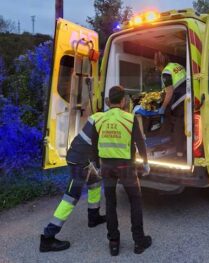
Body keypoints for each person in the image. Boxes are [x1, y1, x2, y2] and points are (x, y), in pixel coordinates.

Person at [39, 112, 106, 252]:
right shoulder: (109, 121)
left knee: (95, 183)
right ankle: (47, 238)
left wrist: (97, 166)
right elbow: (97, 147)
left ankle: (93, 217)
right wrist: (100, 166)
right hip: (79, 160)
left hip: (83, 157)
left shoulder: (99, 116)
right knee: (71, 197)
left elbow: (95, 145)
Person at [97, 85, 151, 256]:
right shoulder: (129, 118)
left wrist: (96, 164)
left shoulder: (99, 119)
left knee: (110, 203)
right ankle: (139, 242)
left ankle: (113, 243)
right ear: (122, 101)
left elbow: (93, 143)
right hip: (125, 166)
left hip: (106, 166)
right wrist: (145, 163)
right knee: (135, 200)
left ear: (109, 101)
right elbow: (139, 142)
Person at [154, 51, 186, 158]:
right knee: (186, 124)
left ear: (159, 65)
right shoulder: (177, 66)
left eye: (156, 67)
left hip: (179, 100)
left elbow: (169, 92)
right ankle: (183, 147)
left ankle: (179, 153)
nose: (157, 69)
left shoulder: (166, 72)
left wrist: (163, 107)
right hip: (189, 97)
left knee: (178, 126)